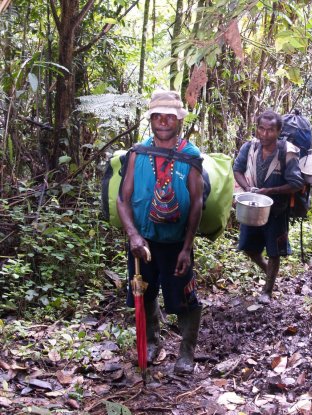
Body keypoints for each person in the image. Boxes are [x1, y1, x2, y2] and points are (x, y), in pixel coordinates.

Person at [117, 90, 204, 375]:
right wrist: (133, 236)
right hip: (143, 242)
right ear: (151, 120)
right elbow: (123, 198)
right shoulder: (137, 154)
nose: (163, 121)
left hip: (175, 242)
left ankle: (187, 352)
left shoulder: (190, 156)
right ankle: (152, 342)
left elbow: (196, 203)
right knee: (144, 293)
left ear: (178, 120)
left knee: (185, 300)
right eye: (158, 116)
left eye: (169, 116)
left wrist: (187, 248)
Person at [233, 110, 305, 304]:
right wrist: (248, 189)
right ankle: (269, 272)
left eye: (270, 130)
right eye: (261, 129)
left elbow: (297, 183)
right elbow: (237, 170)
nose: (265, 134)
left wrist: (270, 191)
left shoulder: (287, 152)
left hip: (277, 211)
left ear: (279, 131)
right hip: (253, 207)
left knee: (274, 251)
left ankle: (267, 290)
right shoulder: (249, 148)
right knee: (249, 248)